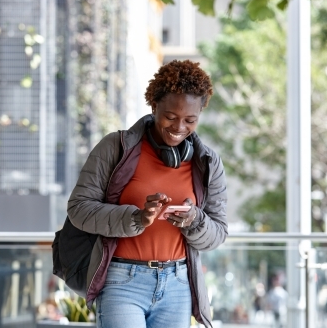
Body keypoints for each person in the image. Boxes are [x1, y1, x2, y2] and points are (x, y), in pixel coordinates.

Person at [67, 59, 228, 328]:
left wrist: (194, 220)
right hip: (122, 280)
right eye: (170, 117)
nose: (179, 127)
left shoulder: (208, 163)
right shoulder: (115, 148)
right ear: (154, 106)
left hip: (178, 285)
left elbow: (218, 232)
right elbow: (79, 208)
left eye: (190, 120)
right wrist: (137, 218)